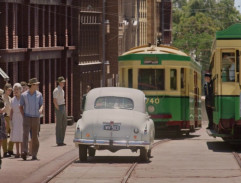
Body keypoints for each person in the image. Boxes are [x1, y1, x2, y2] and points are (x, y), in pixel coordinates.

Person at [20, 78, 43, 160]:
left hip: (36, 117)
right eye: (36, 84)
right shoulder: (24, 95)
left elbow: (41, 104)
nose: (37, 86)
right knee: (25, 134)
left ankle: (34, 154)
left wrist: (40, 109)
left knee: (35, 136)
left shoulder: (39, 94)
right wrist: (24, 115)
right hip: (27, 117)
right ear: (32, 85)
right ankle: (24, 152)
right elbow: (21, 106)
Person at [10, 83, 23, 158]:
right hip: (15, 118)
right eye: (15, 89)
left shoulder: (23, 98)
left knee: (21, 134)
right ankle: (17, 152)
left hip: (21, 117)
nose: (16, 91)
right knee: (16, 135)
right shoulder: (12, 99)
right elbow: (11, 110)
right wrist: (10, 120)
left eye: (17, 89)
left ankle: (22, 152)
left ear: (20, 90)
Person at [53, 76, 67, 146]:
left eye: (63, 81)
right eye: (62, 82)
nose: (63, 83)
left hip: (63, 106)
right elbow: (54, 100)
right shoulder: (56, 90)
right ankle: (59, 141)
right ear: (59, 82)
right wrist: (58, 108)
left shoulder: (62, 90)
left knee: (64, 123)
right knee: (59, 125)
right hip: (59, 106)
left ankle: (62, 140)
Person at [2, 83, 14, 157]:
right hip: (5, 117)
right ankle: (5, 151)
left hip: (11, 117)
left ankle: (10, 149)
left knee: (12, 134)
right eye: (9, 90)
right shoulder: (2, 98)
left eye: (11, 90)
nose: (10, 91)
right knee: (5, 135)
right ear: (5, 89)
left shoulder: (10, 98)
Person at [0, 95, 7, 168]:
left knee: (1, 139)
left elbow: (4, 107)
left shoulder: (1, 99)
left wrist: (2, 109)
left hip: (1, 118)